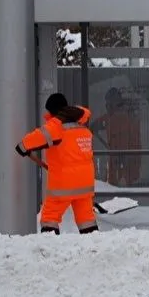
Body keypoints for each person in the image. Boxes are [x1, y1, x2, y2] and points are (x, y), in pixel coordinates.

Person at [15, 93, 98, 235]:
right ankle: (93, 250)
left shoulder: (56, 125)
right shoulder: (81, 126)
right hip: (85, 184)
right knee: (86, 220)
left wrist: (22, 147)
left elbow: (36, 138)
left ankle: (49, 250)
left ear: (53, 110)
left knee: (50, 217)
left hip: (63, 184)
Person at [93, 87, 142, 186]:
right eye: (107, 103)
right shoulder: (111, 117)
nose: (107, 106)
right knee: (116, 183)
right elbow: (96, 124)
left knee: (124, 183)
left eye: (109, 103)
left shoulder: (122, 117)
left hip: (126, 157)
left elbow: (131, 140)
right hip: (117, 156)